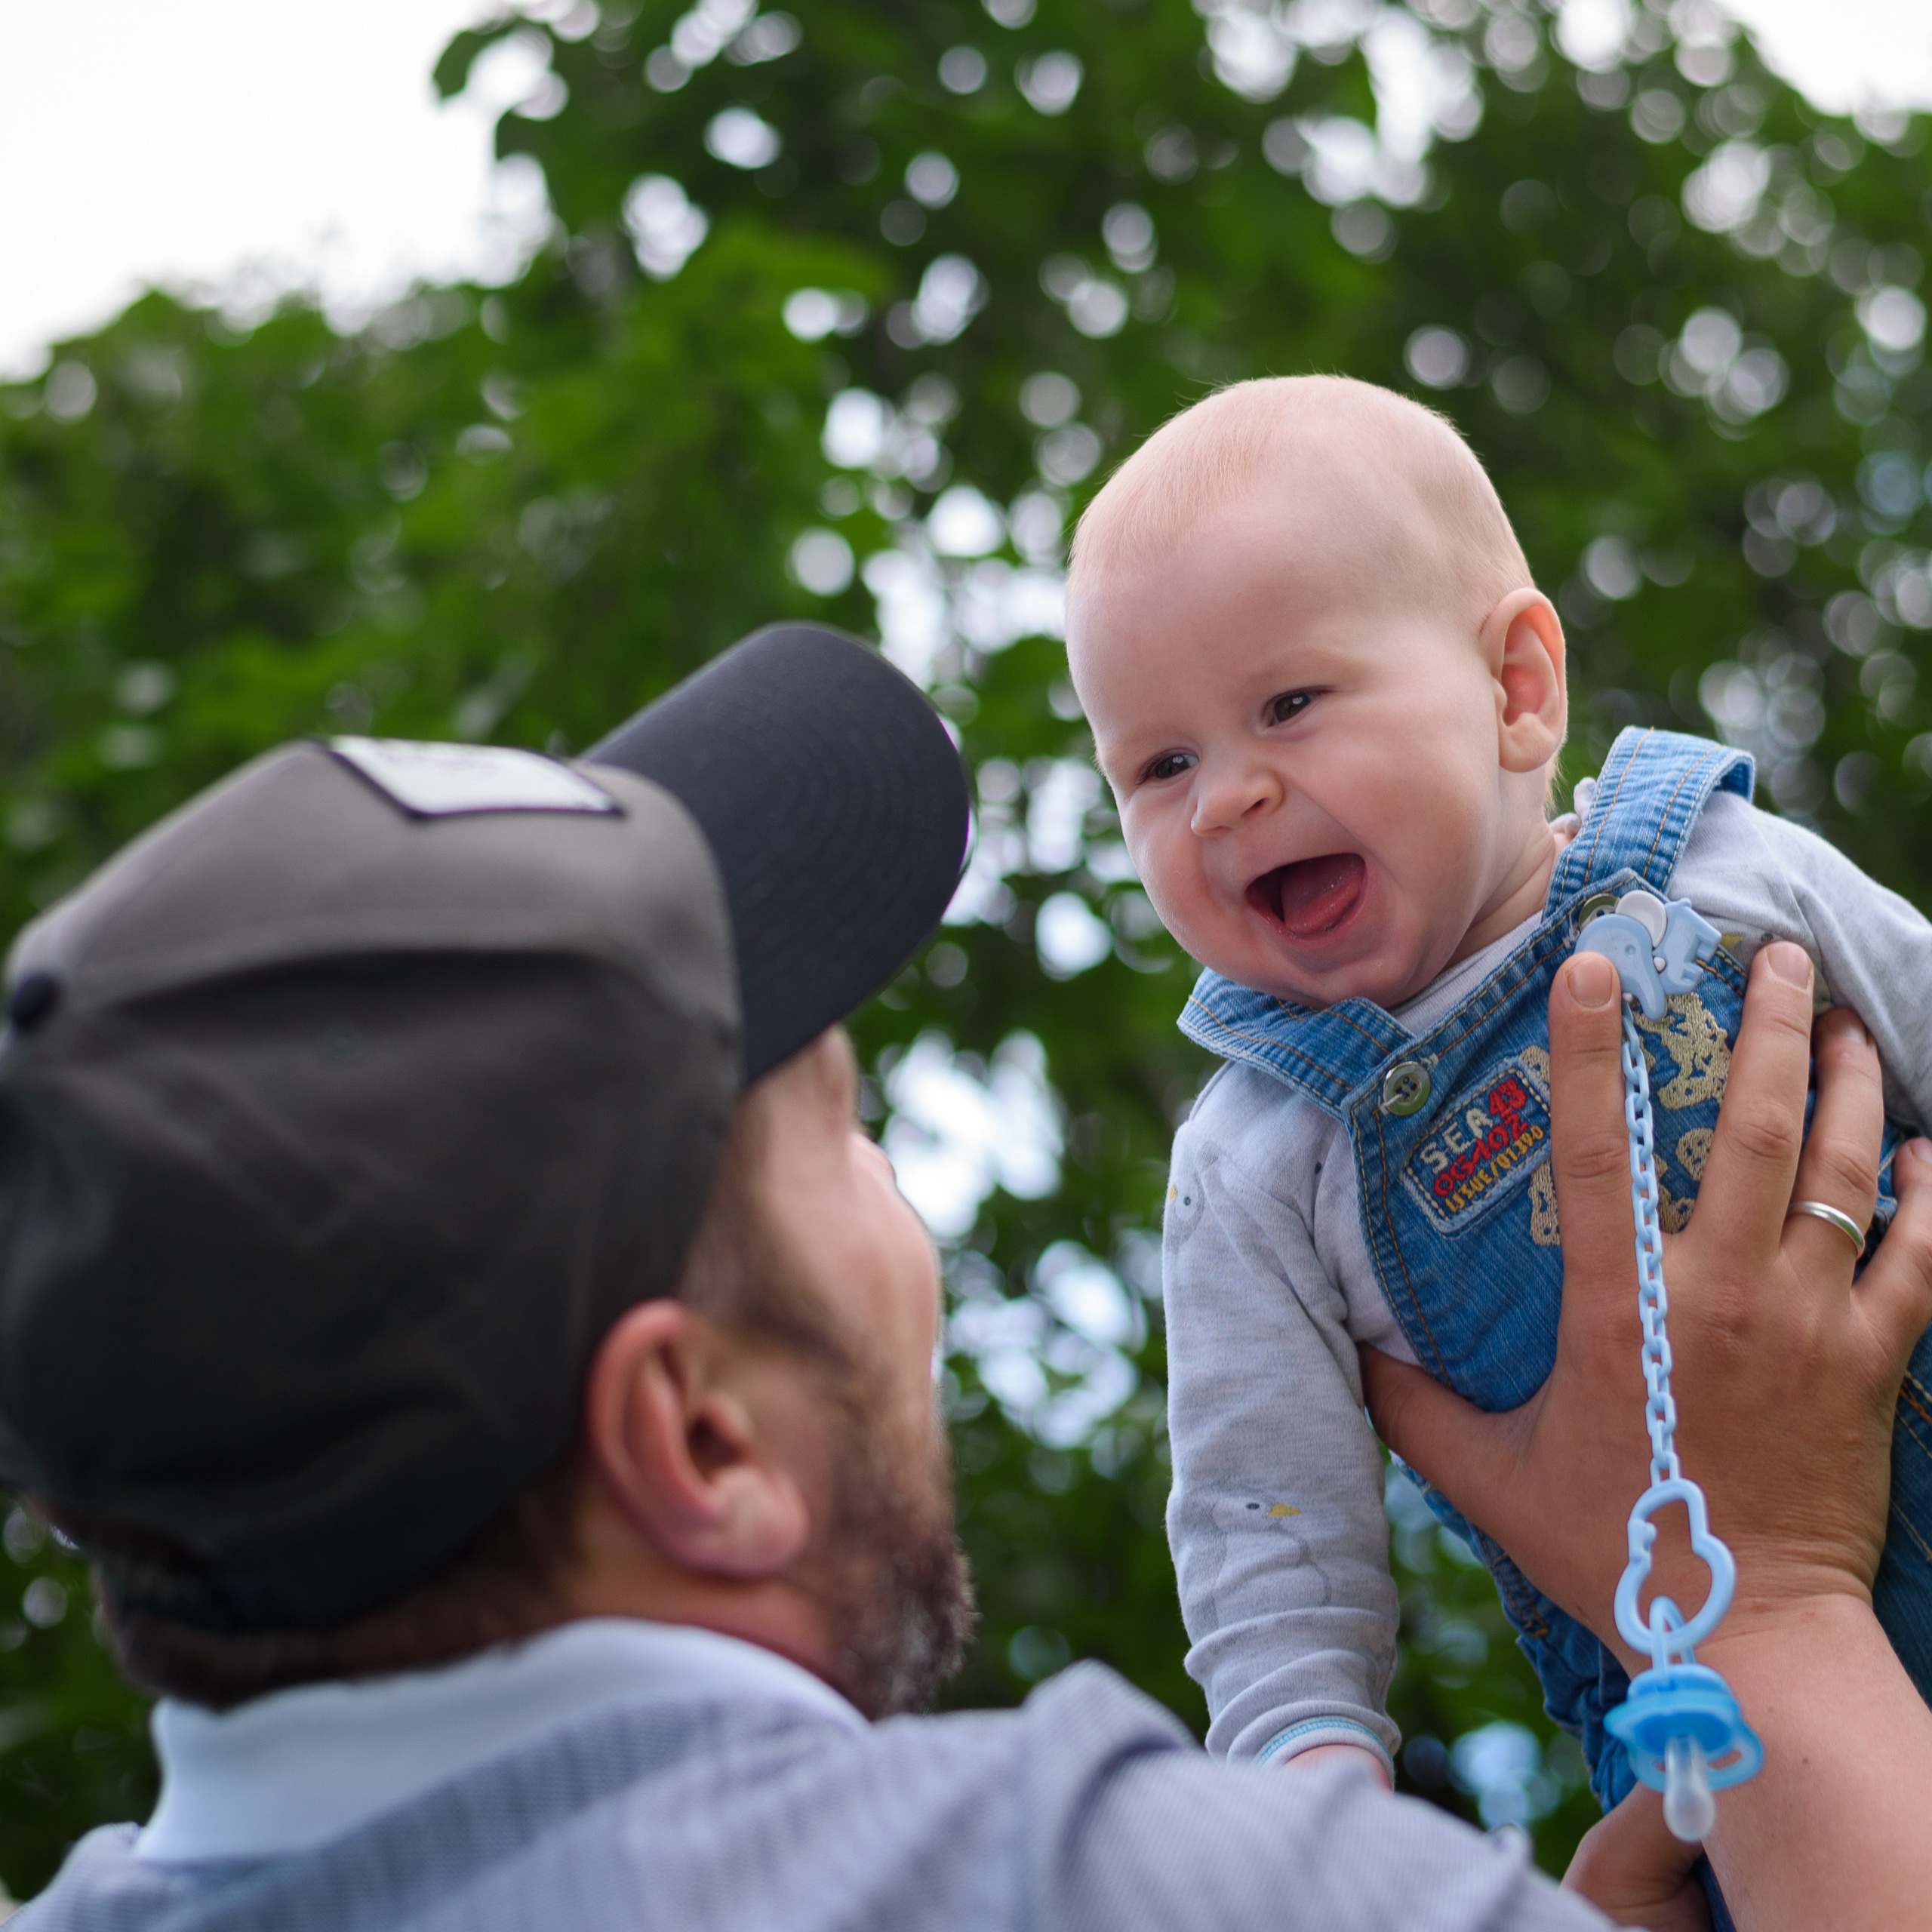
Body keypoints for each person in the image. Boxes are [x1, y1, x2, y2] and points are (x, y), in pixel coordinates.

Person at [0, 621, 1928, 1931]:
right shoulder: (1113, 1886)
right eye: (843, 1127)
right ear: (697, 1433)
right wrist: (1763, 1608)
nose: (905, 1210)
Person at [1061, 374, 1932, 1815]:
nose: (1224, 799)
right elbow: (1262, 1527)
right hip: (1718, 1743)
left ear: (1517, 689)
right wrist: (1309, 1793)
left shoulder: (1721, 869)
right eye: (1159, 765)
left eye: (1289, 703)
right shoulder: (1263, 1154)